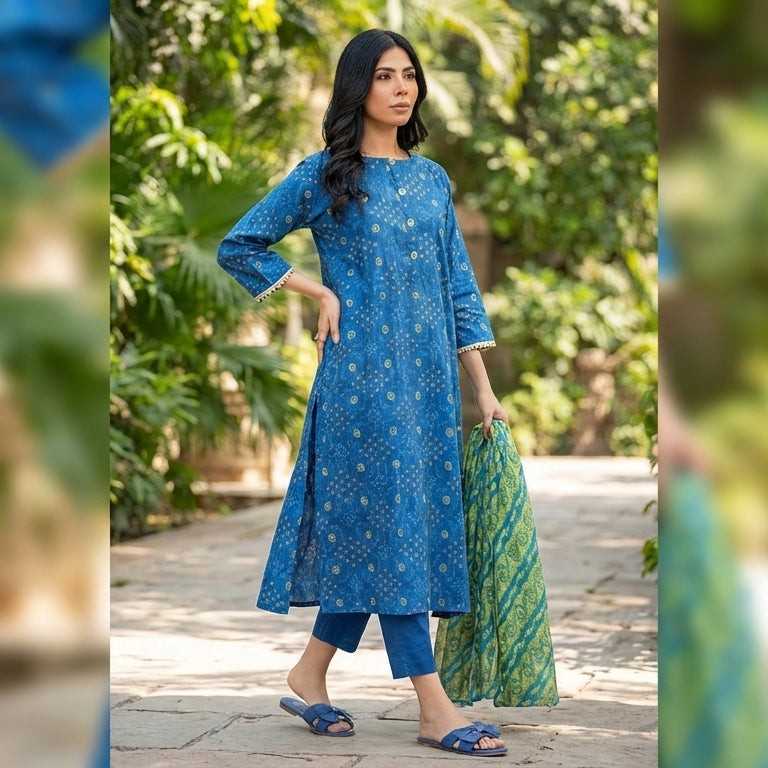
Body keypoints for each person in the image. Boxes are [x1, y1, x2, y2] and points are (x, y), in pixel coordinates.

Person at [218, 28, 509, 757]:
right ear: (359, 88)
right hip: (361, 388)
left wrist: (484, 390)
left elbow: (459, 290)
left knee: (391, 529)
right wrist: (316, 288)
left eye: (408, 75)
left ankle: (309, 674)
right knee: (399, 533)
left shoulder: (432, 179)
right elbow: (240, 244)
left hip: (431, 388)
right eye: (384, 76)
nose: (401, 87)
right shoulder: (326, 175)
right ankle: (434, 707)